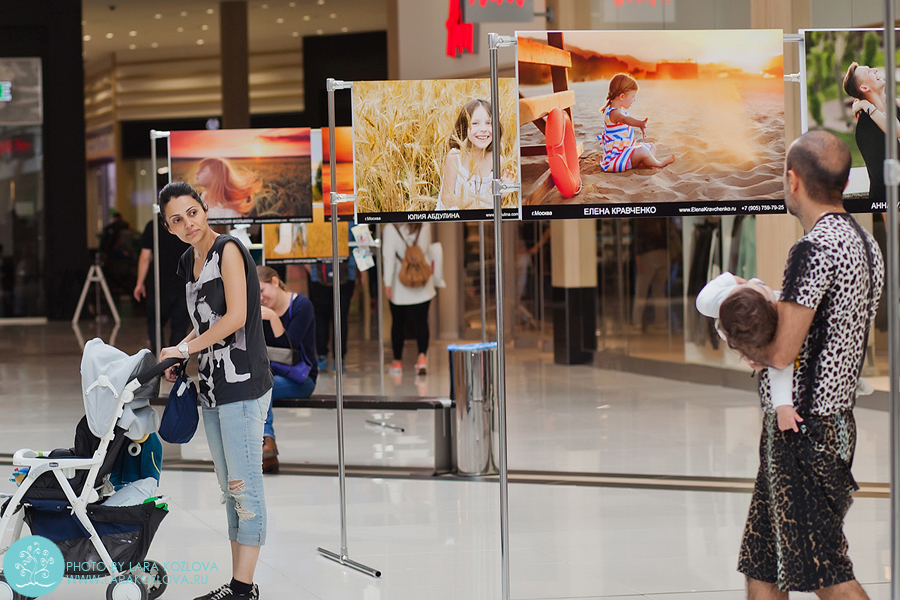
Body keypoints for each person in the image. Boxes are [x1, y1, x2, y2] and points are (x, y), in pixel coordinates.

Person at [736, 130, 883, 599]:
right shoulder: (864, 243)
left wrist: (740, 339)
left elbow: (781, 352)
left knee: (826, 570)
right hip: (831, 426)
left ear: (794, 180)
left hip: (803, 433)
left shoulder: (813, 249)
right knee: (761, 561)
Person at [157, 181, 273, 600]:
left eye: (192, 212)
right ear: (167, 227)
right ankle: (238, 584)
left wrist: (186, 347)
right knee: (228, 489)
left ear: (204, 209)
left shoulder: (229, 250)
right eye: (176, 219)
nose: (187, 223)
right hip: (210, 387)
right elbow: (207, 321)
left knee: (245, 486)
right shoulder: (189, 260)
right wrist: (180, 356)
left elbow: (237, 316)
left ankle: (244, 589)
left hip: (242, 384)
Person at [696, 272, 792, 411]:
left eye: (761, 286)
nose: (757, 282)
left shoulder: (713, 300)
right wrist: (783, 405)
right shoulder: (778, 305)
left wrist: (730, 279)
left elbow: (702, 298)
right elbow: (780, 366)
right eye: (763, 289)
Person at [257, 265, 317, 474]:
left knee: (263, 388)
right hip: (272, 375)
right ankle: (266, 445)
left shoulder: (302, 306)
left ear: (275, 282)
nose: (261, 298)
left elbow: (289, 349)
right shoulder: (260, 311)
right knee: (258, 386)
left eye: (262, 291)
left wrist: (273, 318)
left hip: (301, 378)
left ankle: (267, 442)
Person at [436, 99, 514, 211]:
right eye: (475, 123)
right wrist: (477, 201)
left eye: (489, 123)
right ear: (464, 127)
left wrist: (504, 191)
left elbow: (495, 201)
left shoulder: (497, 160)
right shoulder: (455, 156)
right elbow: (446, 198)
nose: (483, 129)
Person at [382, 223, 436, 377]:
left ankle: (397, 361)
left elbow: (388, 257)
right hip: (422, 281)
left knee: (398, 323)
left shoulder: (390, 228)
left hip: (400, 283)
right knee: (422, 321)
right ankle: (422, 359)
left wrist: (387, 284)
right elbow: (426, 249)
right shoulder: (424, 223)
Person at [842, 62, 900, 202]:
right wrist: (868, 106)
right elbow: (884, 183)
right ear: (864, 87)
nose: (875, 70)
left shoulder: (894, 107)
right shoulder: (866, 128)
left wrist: (867, 104)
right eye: (868, 72)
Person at [133, 220, 191, 354]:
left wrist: (139, 283)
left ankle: (160, 357)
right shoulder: (187, 224)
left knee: (155, 322)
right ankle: (173, 360)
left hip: (159, 284)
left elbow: (145, 257)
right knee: (180, 327)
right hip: (183, 283)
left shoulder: (153, 225)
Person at [599, 73, 674, 172]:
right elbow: (625, 119)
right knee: (642, 151)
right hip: (616, 159)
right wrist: (640, 124)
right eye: (633, 96)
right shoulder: (614, 113)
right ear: (622, 97)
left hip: (625, 152)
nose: (634, 100)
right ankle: (658, 163)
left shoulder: (617, 111)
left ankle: (644, 163)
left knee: (651, 147)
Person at [306, 229, 357, 372]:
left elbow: (304, 248)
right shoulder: (349, 217)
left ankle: (322, 356)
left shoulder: (315, 218)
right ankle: (339, 359)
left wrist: (312, 272)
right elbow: (356, 246)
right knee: (340, 318)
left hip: (319, 276)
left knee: (320, 317)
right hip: (346, 276)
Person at [194, 157, 261, 219]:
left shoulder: (230, 211)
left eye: (202, 170)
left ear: (215, 176)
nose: (197, 172)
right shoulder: (202, 197)